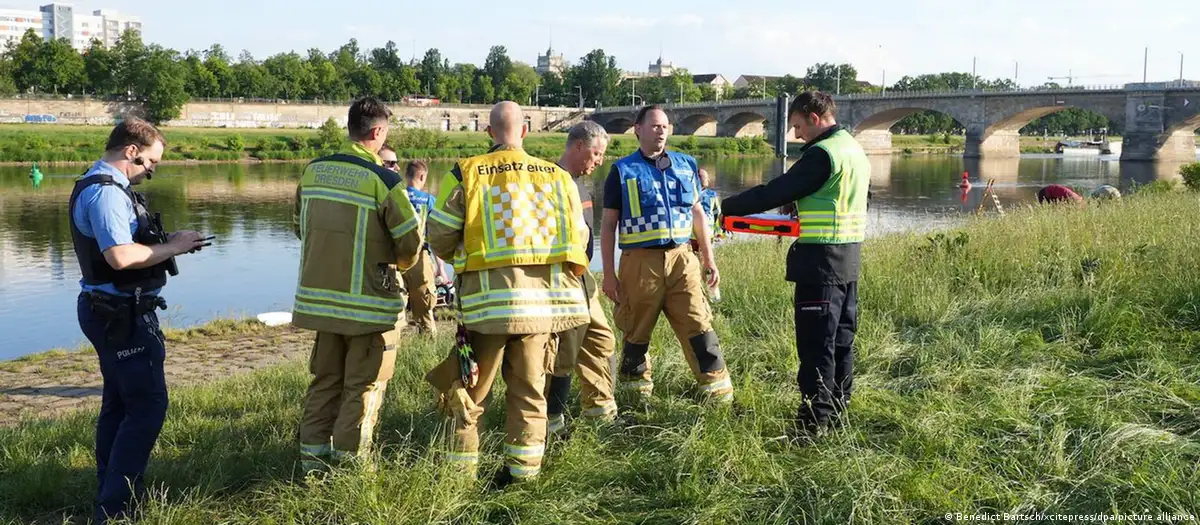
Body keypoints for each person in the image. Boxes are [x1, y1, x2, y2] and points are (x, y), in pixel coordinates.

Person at [425, 101, 590, 488]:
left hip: (487, 310)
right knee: (530, 392)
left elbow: (439, 236)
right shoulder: (557, 177)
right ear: (526, 132)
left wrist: (462, 255)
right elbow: (580, 238)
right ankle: (523, 478)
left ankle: (459, 478)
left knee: (469, 394)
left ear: (488, 132)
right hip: (541, 308)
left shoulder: (466, 173)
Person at [70, 117, 208, 524]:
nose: (151, 171)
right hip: (121, 315)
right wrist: (175, 246)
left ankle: (109, 495)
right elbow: (121, 257)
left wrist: (169, 246)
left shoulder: (96, 184)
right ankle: (116, 511)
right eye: (150, 162)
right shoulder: (107, 194)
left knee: (119, 403)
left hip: (109, 310)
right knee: (147, 406)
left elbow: (128, 249)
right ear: (131, 151)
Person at [721, 91, 870, 437]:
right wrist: (805, 200)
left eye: (798, 125)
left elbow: (775, 191)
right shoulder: (852, 148)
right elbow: (845, 195)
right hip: (848, 261)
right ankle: (837, 413)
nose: (796, 134)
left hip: (820, 263)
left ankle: (811, 426)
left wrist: (723, 208)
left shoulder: (821, 153)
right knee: (841, 343)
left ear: (815, 119)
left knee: (815, 347)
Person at [293, 97, 424, 474]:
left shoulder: (313, 171)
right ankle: (350, 471)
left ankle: (312, 465)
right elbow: (410, 242)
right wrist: (395, 266)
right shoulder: (384, 180)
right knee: (360, 389)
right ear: (378, 132)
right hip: (367, 307)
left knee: (324, 383)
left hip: (319, 304)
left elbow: (299, 228)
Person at [600, 105, 733, 405]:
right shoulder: (621, 171)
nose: (661, 131)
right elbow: (608, 226)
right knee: (636, 330)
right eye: (654, 126)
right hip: (640, 263)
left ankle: (718, 395)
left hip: (682, 259)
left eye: (665, 126)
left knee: (698, 324)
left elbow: (698, 214)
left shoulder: (686, 164)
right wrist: (609, 275)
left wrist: (709, 258)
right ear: (638, 129)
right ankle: (636, 398)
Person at [546, 121, 619, 435]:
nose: (600, 161)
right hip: (558, 279)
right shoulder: (548, 181)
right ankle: (552, 423)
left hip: (582, 278)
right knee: (563, 353)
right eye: (596, 153)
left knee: (602, 340)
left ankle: (600, 411)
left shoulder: (581, 184)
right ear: (577, 146)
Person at [689, 168, 723, 252]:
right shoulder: (688, 194)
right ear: (697, 178)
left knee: (704, 258)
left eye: (707, 177)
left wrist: (719, 231)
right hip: (691, 236)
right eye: (704, 177)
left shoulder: (712, 195)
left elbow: (717, 214)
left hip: (708, 233)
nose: (708, 179)